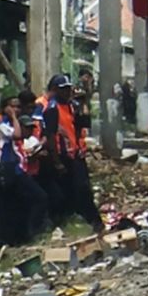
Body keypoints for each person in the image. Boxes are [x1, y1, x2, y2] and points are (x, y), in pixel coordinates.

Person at [42, 74, 104, 234]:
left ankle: (92, 221)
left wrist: (83, 103)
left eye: (68, 89)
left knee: (82, 188)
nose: (67, 92)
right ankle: (69, 222)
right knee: (69, 191)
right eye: (63, 89)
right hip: (62, 156)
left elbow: (83, 124)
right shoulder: (52, 109)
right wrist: (56, 161)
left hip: (75, 154)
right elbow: (50, 136)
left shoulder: (72, 106)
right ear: (55, 90)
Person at [0, 97, 48, 247]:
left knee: (16, 204)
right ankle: (5, 241)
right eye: (12, 107)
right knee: (9, 206)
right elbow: (17, 134)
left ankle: (19, 237)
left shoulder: (13, 123)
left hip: (16, 169)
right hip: (7, 169)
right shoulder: (3, 125)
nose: (16, 110)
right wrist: (13, 117)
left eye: (18, 107)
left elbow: (24, 137)